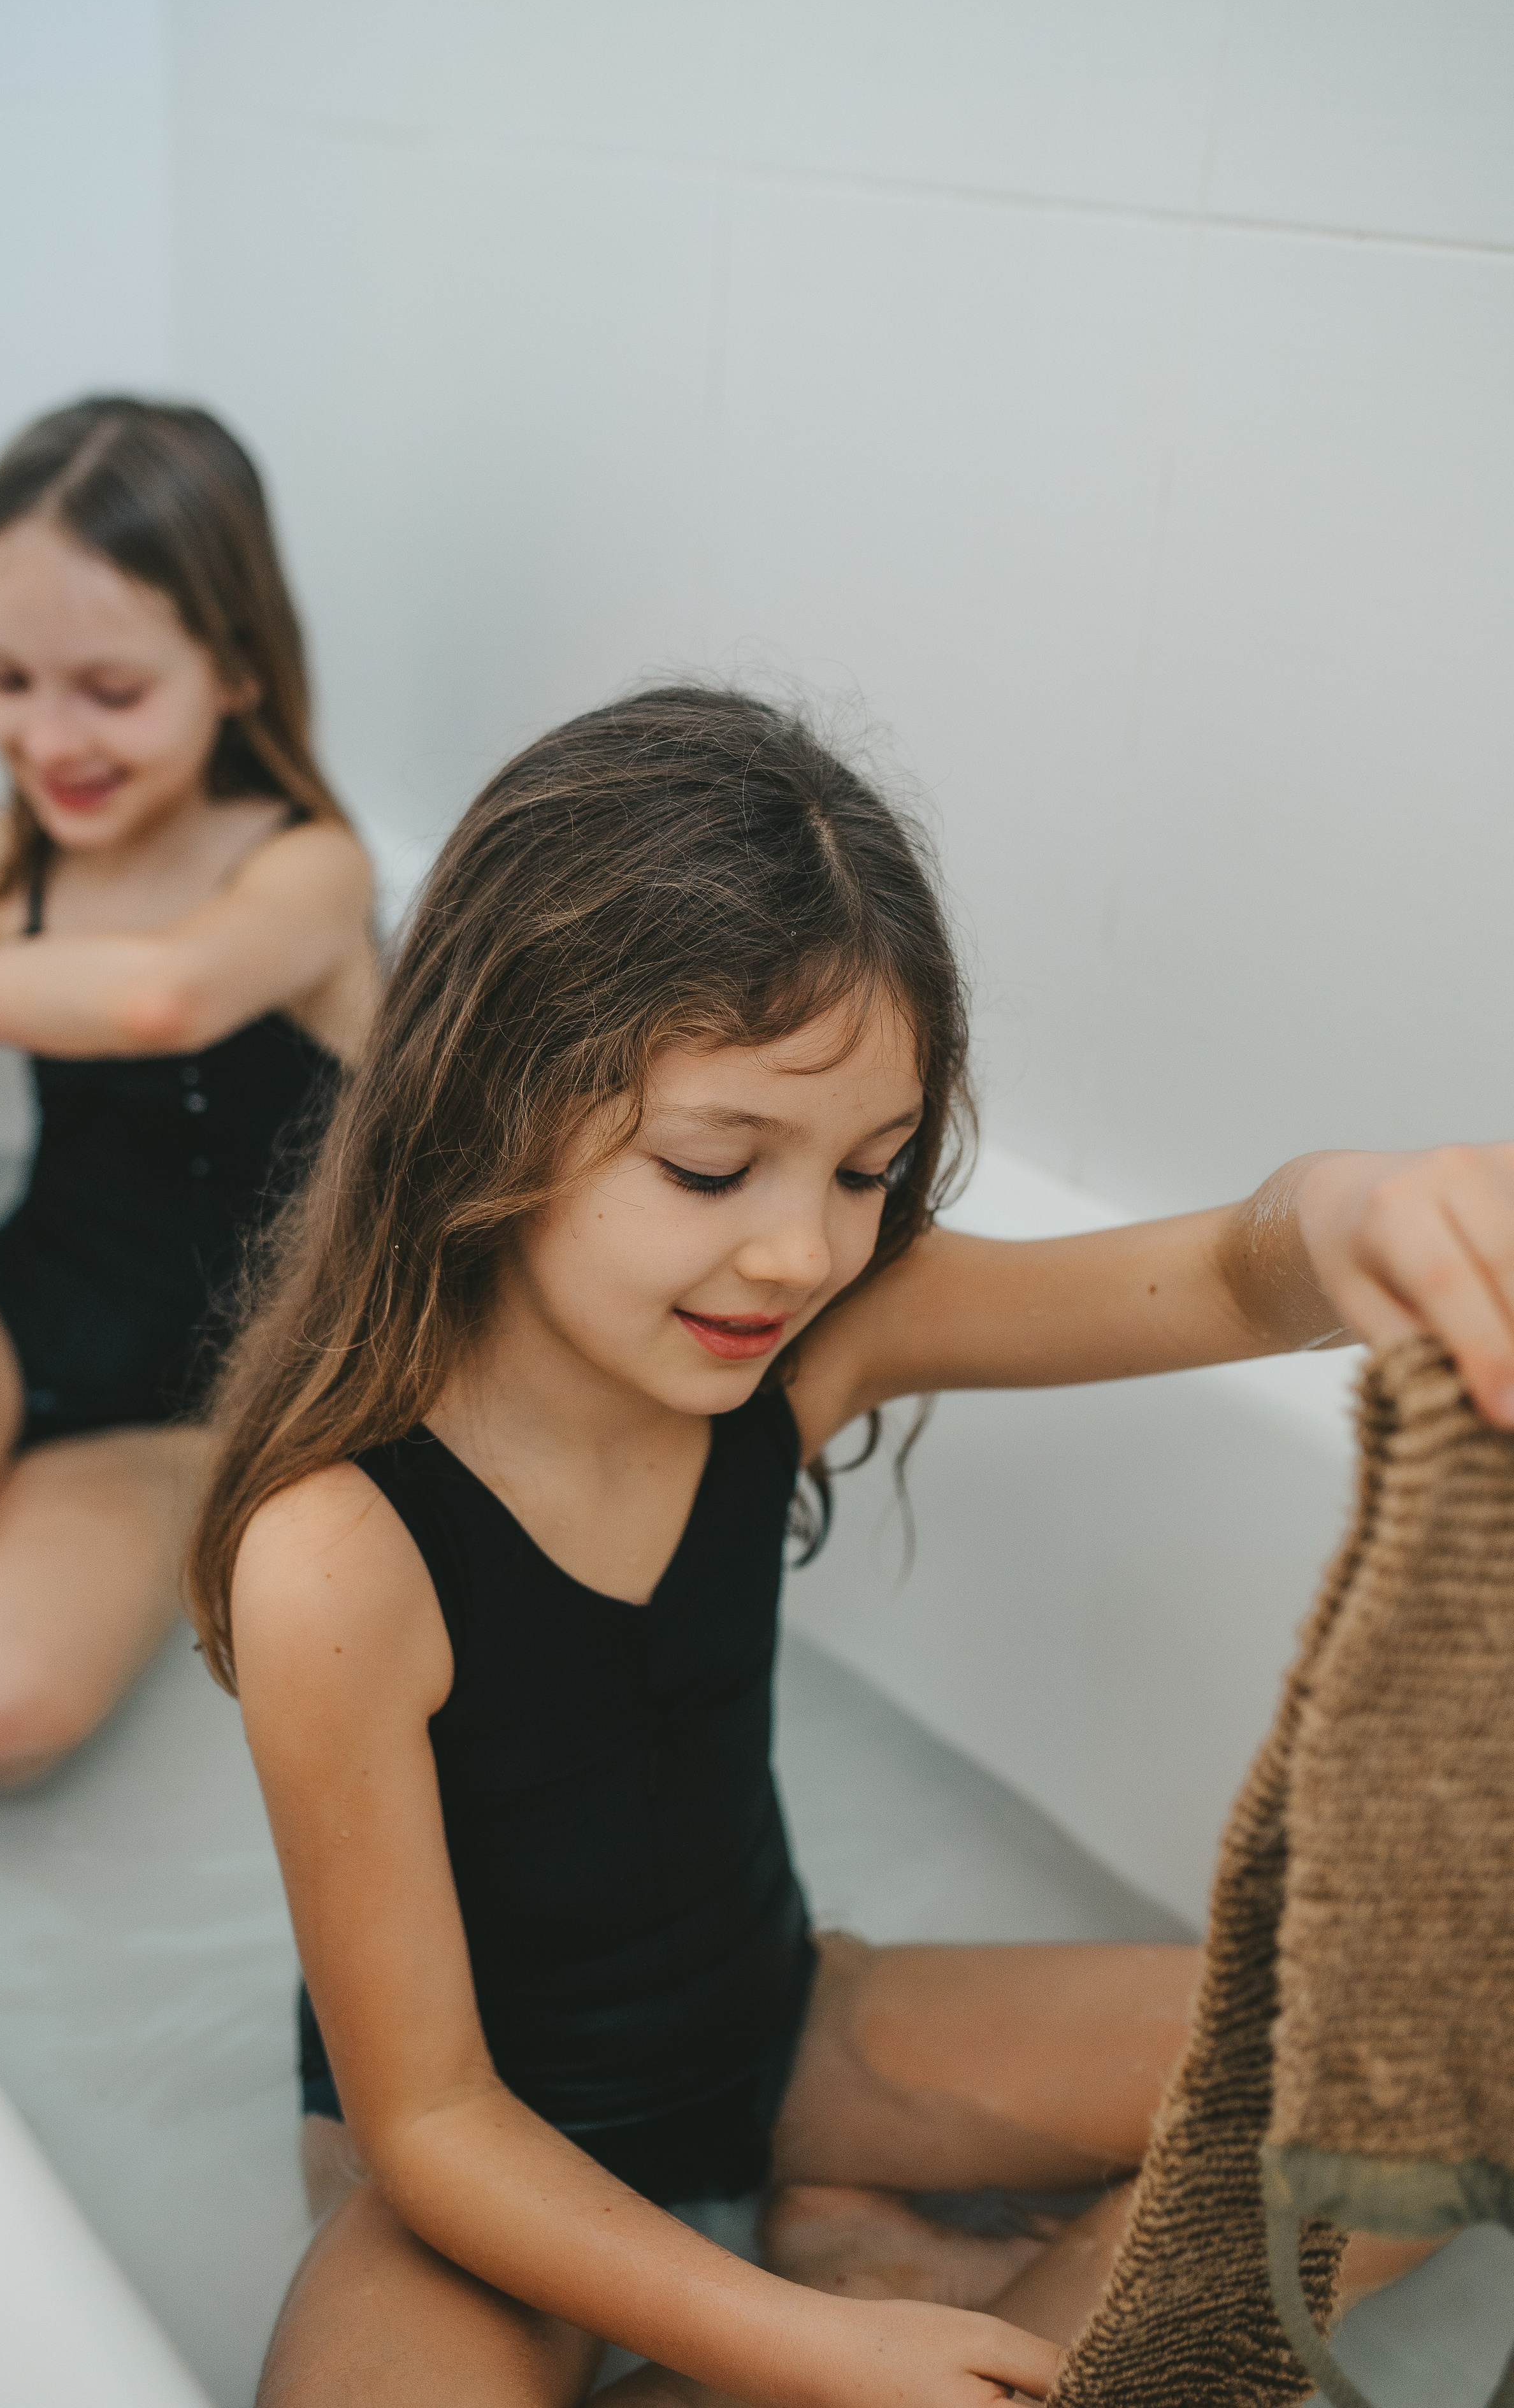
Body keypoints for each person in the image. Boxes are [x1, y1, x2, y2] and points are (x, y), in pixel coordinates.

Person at [190, 688, 1504, 2406]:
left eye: (867, 1169)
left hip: (778, 2029)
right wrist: (813, 2348)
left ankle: (931, 2293)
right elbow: (429, 2118)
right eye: (709, 1167)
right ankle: (874, 2297)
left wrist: (1359, 1205)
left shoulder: (809, 1344)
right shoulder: (340, 1555)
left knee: (1431, 2088)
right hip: (477, 2177)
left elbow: (1233, 1274)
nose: (799, 1252)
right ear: (484, 1103)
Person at [0, 397, 377, 1790]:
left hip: (198, 1396)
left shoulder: (308, 870)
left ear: (237, 668)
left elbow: (164, 995)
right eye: (7, 680)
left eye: (109, 691)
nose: (49, 740)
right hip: (13, 1303)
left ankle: (5, 1526)